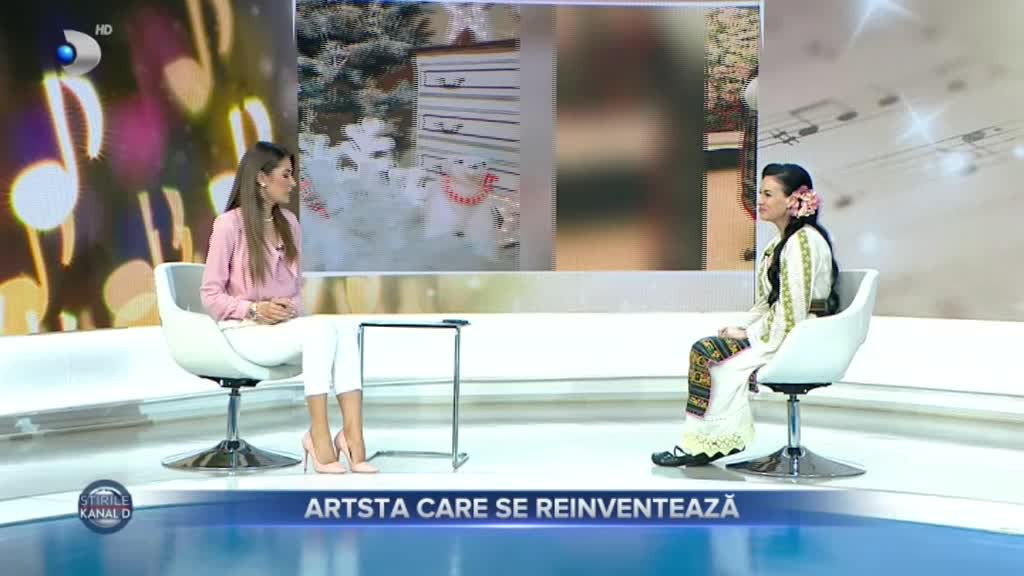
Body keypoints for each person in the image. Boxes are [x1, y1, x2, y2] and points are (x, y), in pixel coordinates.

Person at [200, 141, 377, 475]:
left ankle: (353, 437)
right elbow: (210, 295)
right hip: (243, 332)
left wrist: (287, 308)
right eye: (286, 175)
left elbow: (296, 291)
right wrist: (254, 310)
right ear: (261, 178)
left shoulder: (290, 223)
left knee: (343, 328)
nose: (293, 183)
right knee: (320, 329)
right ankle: (319, 437)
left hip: (283, 330)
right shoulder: (228, 225)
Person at [652, 163, 840, 467]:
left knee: (707, 353)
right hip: (785, 331)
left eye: (768, 194)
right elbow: (768, 303)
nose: (760, 201)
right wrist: (740, 327)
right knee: (709, 349)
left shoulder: (803, 242)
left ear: (793, 200)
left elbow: (793, 310)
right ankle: (706, 441)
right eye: (760, 193)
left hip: (801, 339)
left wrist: (750, 335)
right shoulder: (780, 243)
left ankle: (709, 443)